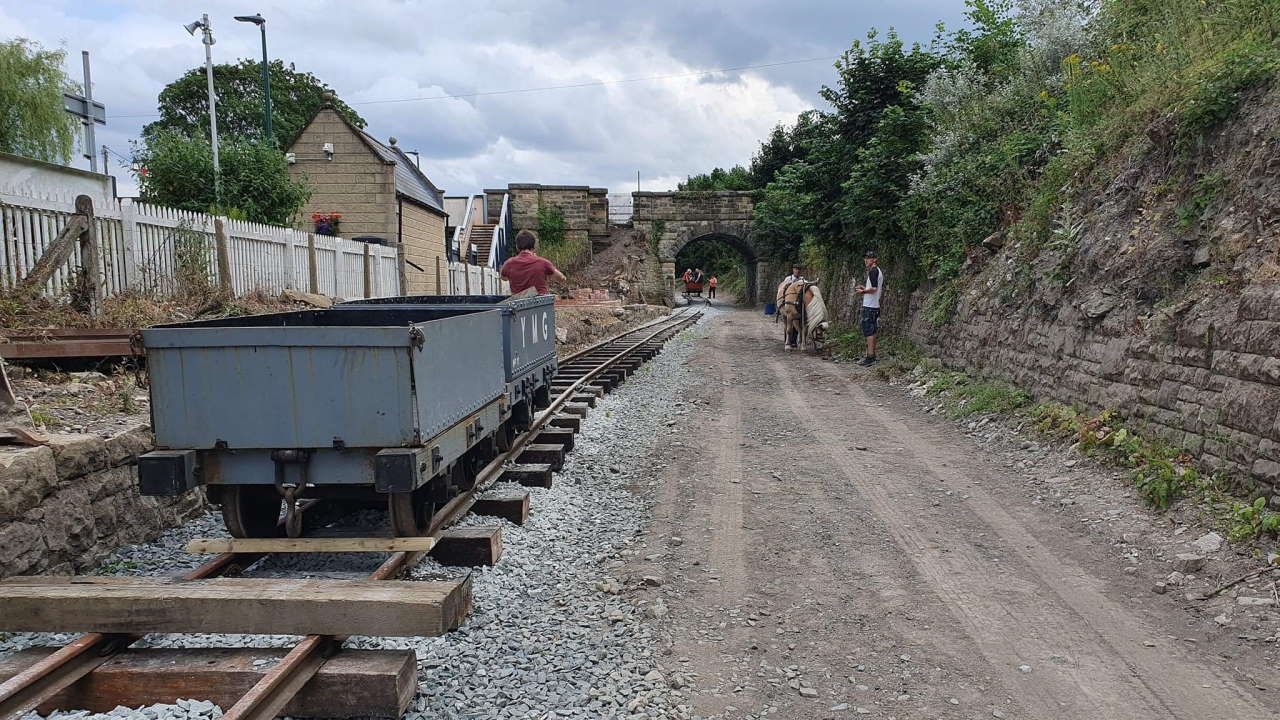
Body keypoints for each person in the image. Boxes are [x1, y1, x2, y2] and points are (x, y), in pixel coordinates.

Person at [500, 229, 566, 295]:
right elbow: (562, 278)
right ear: (534, 246)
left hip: (518, 302)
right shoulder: (543, 263)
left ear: (517, 246)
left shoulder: (509, 263)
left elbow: (504, 278)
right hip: (541, 302)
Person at [854, 250, 882, 366]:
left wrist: (863, 291)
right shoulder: (877, 271)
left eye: (869, 258)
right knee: (873, 330)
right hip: (874, 305)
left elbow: (874, 289)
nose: (866, 260)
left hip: (870, 306)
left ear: (874, 259)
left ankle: (870, 357)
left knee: (869, 331)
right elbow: (874, 287)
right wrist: (865, 287)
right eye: (865, 258)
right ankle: (872, 355)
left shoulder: (873, 271)